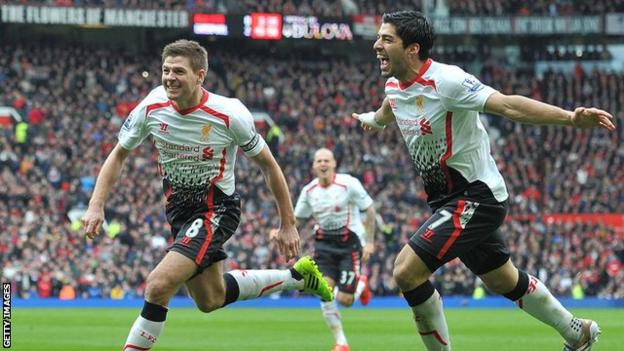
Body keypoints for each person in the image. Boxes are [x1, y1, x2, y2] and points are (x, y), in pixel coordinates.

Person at [352, 11, 615, 351]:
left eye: (387, 39)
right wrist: (374, 120)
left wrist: (569, 118)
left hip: (477, 196)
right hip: (449, 200)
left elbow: (507, 105)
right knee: (502, 279)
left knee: (405, 271)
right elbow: (392, 105)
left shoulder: (448, 81)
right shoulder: (393, 83)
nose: (377, 45)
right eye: (379, 38)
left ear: (413, 49)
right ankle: (577, 332)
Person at [80, 39, 333, 351]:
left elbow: (269, 166)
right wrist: (96, 205)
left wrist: (288, 223)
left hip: (216, 208)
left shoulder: (229, 114)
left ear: (200, 76)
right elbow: (119, 155)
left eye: (179, 71)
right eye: (166, 70)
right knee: (210, 299)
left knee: (158, 285)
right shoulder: (151, 107)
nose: (169, 77)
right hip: (178, 211)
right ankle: (296, 277)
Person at [288, 148, 376, 351]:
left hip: (349, 244)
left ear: (334, 163)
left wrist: (369, 242)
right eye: (319, 160)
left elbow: (370, 210)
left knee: (345, 300)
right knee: (324, 290)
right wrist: (283, 231)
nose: (323, 164)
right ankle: (341, 342)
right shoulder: (309, 191)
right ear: (314, 166)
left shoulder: (348, 184)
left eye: (327, 160)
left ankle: (361, 284)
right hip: (324, 245)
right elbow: (298, 219)